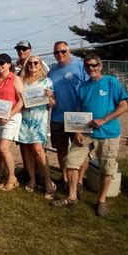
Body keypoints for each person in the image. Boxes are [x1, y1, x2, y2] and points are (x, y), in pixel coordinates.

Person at [51, 55, 128, 217]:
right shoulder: (83, 87)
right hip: (86, 132)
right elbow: (78, 111)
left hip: (108, 133)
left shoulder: (110, 82)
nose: (91, 69)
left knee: (106, 169)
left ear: (100, 66)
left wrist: (103, 120)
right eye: (87, 66)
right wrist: (77, 131)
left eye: (94, 65)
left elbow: (123, 106)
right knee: (71, 161)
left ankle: (101, 201)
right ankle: (72, 197)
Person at [48, 41, 89, 191]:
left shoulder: (80, 66)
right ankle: (65, 179)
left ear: (69, 50)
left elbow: (89, 87)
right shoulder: (51, 72)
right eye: (57, 52)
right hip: (58, 116)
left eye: (63, 51)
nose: (60, 55)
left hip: (78, 117)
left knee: (80, 149)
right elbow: (50, 95)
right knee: (61, 150)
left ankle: (79, 182)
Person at [18, 56, 57, 199]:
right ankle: (32, 179)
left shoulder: (47, 82)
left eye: (36, 63)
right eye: (30, 63)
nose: (33, 65)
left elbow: (53, 103)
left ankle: (48, 183)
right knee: (27, 149)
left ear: (40, 65)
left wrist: (50, 97)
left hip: (39, 120)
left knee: (38, 150)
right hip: (24, 120)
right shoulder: (22, 81)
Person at [0, 53, 24, 191]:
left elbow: (21, 101)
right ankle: (2, 174)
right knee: (0, 148)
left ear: (9, 64)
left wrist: (9, 115)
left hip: (12, 118)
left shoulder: (15, 79)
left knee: (3, 148)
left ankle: (12, 178)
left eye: (2, 63)